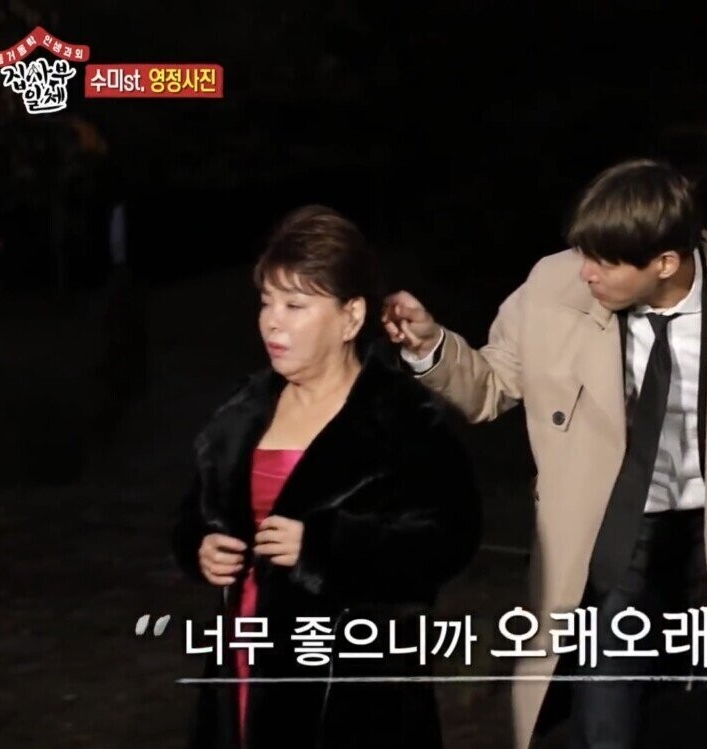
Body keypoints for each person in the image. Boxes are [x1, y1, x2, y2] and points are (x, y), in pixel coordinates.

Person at [383, 158, 707, 748]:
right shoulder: (552, 286)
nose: (586, 273)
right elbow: (490, 385)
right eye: (585, 253)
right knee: (606, 717)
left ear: (665, 263)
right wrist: (431, 348)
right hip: (613, 530)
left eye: (605, 262)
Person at [171, 205, 481, 748]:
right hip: (243, 666)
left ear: (350, 317)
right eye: (266, 301)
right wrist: (201, 546)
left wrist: (329, 548)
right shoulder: (243, 413)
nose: (272, 321)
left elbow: (451, 537)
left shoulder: (401, 420)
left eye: (295, 305)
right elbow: (197, 513)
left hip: (354, 693)